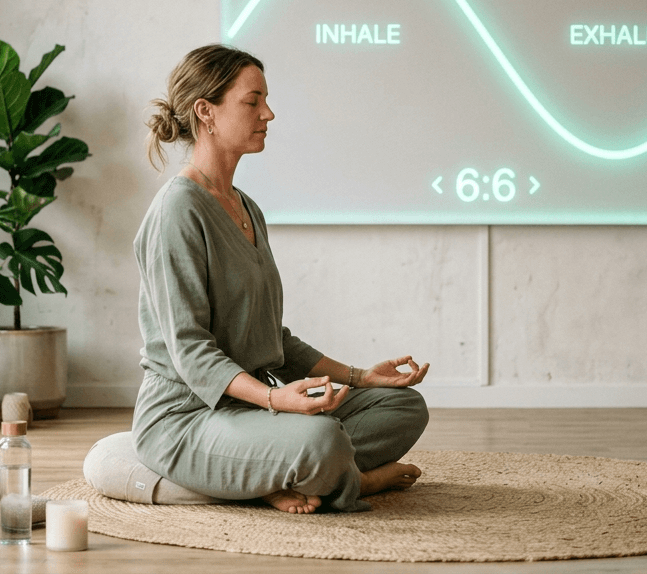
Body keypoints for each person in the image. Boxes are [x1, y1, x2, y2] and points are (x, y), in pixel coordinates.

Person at [104, 44, 430, 514]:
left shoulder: (247, 208)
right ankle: (353, 479)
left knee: (402, 406)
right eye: (252, 101)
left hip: (250, 409)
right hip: (186, 418)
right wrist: (276, 400)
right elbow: (191, 351)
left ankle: (284, 471)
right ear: (206, 112)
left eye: (266, 101)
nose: (268, 113)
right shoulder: (177, 210)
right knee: (319, 439)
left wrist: (361, 376)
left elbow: (270, 337)